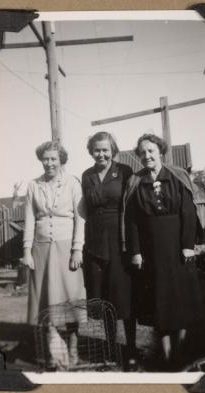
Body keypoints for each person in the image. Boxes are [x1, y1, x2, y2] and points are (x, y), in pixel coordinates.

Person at [123, 133, 204, 371]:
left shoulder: (178, 176)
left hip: (178, 248)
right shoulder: (135, 182)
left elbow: (188, 213)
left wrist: (188, 246)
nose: (147, 156)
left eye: (151, 151)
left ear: (160, 152)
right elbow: (132, 221)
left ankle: (181, 351)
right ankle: (167, 355)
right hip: (152, 251)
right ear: (138, 157)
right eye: (142, 152)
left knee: (181, 300)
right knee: (160, 302)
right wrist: (135, 251)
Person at [22, 140, 86, 369]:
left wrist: (77, 248)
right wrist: (26, 251)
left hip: (66, 247)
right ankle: (54, 352)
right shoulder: (33, 185)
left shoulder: (73, 183)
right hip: (41, 248)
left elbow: (81, 219)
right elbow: (29, 219)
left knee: (70, 299)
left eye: (53, 159)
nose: (49, 163)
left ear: (61, 160)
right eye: (45, 159)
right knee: (46, 301)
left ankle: (73, 345)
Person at [82, 131, 137, 370]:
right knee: (105, 301)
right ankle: (110, 350)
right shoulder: (86, 175)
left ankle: (132, 350)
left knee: (125, 298)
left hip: (119, 242)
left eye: (105, 149)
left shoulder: (125, 171)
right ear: (91, 151)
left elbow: (133, 207)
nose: (101, 154)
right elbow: (84, 210)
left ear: (113, 149)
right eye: (97, 150)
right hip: (94, 243)